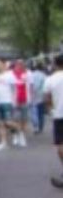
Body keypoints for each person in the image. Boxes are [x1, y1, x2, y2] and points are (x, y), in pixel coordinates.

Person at [0, 59, 18, 151]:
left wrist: (14, 101)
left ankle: (18, 130)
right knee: (0, 123)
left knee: (8, 122)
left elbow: (15, 89)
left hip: (7, 101)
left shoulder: (10, 75)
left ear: (4, 65)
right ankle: (3, 143)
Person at [47, 55, 63, 187]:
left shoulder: (51, 79)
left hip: (59, 115)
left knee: (60, 145)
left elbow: (47, 98)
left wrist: (50, 109)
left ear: (55, 64)